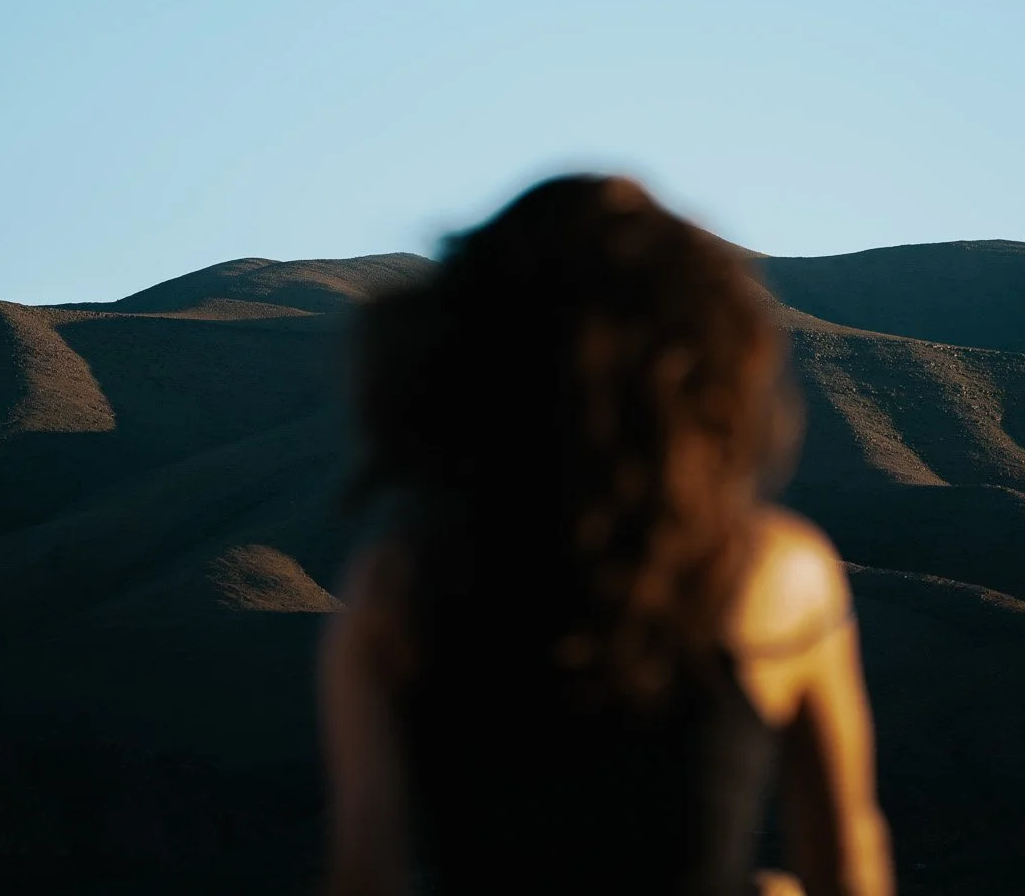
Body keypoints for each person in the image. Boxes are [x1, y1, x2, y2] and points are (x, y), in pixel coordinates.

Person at [321, 175, 894, 896]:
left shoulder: (401, 585)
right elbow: (847, 858)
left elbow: (364, 874)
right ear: (705, 358)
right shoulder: (775, 573)